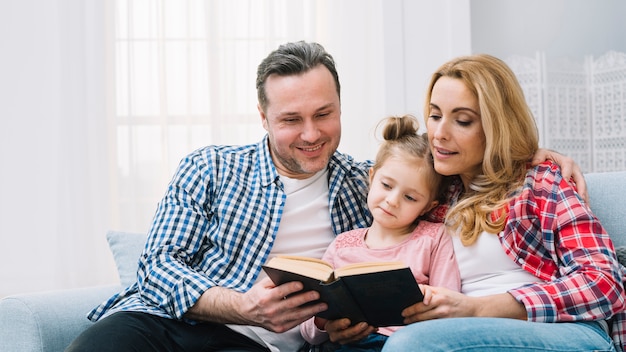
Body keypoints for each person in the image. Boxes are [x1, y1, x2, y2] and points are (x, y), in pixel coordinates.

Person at [66, 42, 587, 352]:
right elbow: (155, 266)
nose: (312, 134)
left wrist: (529, 153)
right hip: (172, 323)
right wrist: (242, 307)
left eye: (325, 114)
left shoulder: (369, 183)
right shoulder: (211, 167)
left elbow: (440, 157)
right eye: (291, 120)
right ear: (262, 116)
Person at [326, 54, 626, 351]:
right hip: (460, 332)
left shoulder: (539, 182)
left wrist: (477, 308)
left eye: (463, 121)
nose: (439, 134)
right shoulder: (434, 191)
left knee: (411, 344)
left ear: (497, 126)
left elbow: (604, 284)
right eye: (434, 116)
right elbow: (387, 170)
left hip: (563, 332)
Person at [299, 115, 460, 351]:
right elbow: (310, 332)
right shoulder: (342, 245)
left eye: (410, 197)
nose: (392, 201)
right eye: (386, 185)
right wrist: (326, 322)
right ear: (372, 177)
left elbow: (450, 307)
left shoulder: (434, 238)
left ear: (428, 206)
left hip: (403, 343)